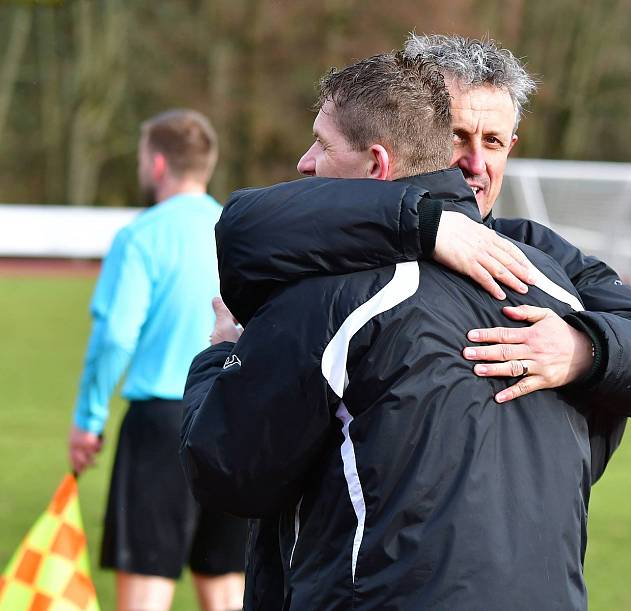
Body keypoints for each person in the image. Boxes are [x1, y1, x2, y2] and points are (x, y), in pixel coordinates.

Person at [182, 52, 597, 610]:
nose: (305, 164)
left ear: (377, 165)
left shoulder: (332, 295)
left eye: (323, 145)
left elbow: (230, 471)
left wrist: (222, 354)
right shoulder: (553, 287)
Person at [209, 34, 631, 484]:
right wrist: (425, 223)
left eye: (492, 142)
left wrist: (584, 350)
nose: (475, 163)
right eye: (456, 136)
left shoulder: (539, 256)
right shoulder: (332, 247)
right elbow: (248, 222)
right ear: (413, 129)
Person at [68, 109, 247, 611]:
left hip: (161, 425)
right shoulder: (238, 231)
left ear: (159, 163)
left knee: (147, 585)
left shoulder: (140, 237)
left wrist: (88, 421)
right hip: (231, 419)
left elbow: (116, 337)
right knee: (227, 584)